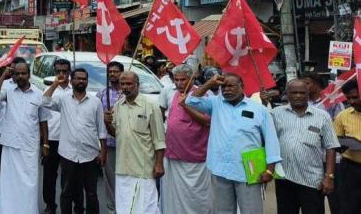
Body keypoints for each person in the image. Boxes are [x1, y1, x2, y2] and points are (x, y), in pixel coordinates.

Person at [187, 73, 282, 213]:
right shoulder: (215, 103)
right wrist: (209, 84)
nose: (226, 89)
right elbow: (191, 101)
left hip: (249, 172)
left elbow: (271, 140)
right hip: (220, 170)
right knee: (223, 211)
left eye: (231, 86)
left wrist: (269, 169)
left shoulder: (259, 110)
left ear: (241, 87)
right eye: (223, 86)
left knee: (251, 211)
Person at [42, 66, 106, 214]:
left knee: (91, 193)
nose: (81, 81)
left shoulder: (95, 102)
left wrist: (103, 152)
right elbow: (44, 102)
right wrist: (55, 84)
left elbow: (101, 129)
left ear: (87, 81)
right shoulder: (63, 99)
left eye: (84, 78)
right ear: (72, 80)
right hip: (68, 154)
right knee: (66, 192)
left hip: (89, 155)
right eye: (78, 78)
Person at [0, 62, 51, 214]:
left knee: (29, 183)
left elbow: (43, 120)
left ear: (29, 74)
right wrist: (3, 76)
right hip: (10, 144)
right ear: (13, 75)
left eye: (23, 73)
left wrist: (45, 144)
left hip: (29, 146)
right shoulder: (8, 90)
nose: (20, 76)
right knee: (8, 182)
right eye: (17, 74)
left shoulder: (39, 93)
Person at [102, 71, 165, 214]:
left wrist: (159, 163)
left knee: (146, 207)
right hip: (123, 167)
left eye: (129, 84)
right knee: (124, 207)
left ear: (137, 85)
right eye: (122, 84)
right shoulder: (118, 106)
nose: (125, 87)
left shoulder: (151, 106)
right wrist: (107, 123)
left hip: (144, 167)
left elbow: (159, 139)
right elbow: (116, 133)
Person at [272, 79, 339, 214]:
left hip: (313, 181)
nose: (298, 96)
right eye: (294, 92)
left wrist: (329, 177)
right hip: (284, 178)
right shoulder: (276, 113)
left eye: (302, 93)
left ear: (308, 94)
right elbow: (268, 142)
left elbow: (331, 147)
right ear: (287, 94)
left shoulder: (322, 116)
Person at [159, 64, 213, 214]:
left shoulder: (203, 94)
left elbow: (207, 121)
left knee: (196, 198)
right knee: (174, 199)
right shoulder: (171, 93)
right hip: (174, 155)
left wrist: (186, 106)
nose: (178, 83)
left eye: (183, 80)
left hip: (196, 158)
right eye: (176, 80)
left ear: (192, 78)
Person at [38, 59, 72, 214]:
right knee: (49, 176)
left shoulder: (75, 89)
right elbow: (43, 105)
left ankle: (67, 206)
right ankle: (50, 205)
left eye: (65, 71)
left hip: (70, 140)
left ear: (69, 72)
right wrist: (44, 142)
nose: (61, 74)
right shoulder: (49, 90)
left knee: (69, 177)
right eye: (58, 71)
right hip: (51, 139)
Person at [96, 61, 122, 214]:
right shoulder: (102, 94)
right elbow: (98, 120)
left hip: (127, 144)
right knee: (110, 180)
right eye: (110, 72)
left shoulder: (128, 92)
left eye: (115, 71)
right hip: (110, 144)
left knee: (125, 179)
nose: (112, 74)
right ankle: (112, 209)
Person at [332, 79, 361, 210]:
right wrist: (342, 144)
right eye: (348, 98)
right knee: (349, 206)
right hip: (350, 169)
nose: (351, 101)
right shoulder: (342, 116)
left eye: (355, 97)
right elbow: (334, 141)